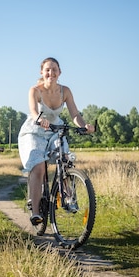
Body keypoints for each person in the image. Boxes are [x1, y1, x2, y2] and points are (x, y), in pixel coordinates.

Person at [18, 57, 95, 226]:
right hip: (35, 130)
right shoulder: (35, 90)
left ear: (59, 72)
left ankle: (69, 198)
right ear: (41, 72)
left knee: (65, 159)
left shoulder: (65, 91)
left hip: (55, 129)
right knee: (38, 167)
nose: (50, 73)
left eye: (54, 69)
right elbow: (32, 111)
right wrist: (39, 119)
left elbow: (74, 114)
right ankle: (36, 211)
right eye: (47, 69)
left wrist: (84, 126)